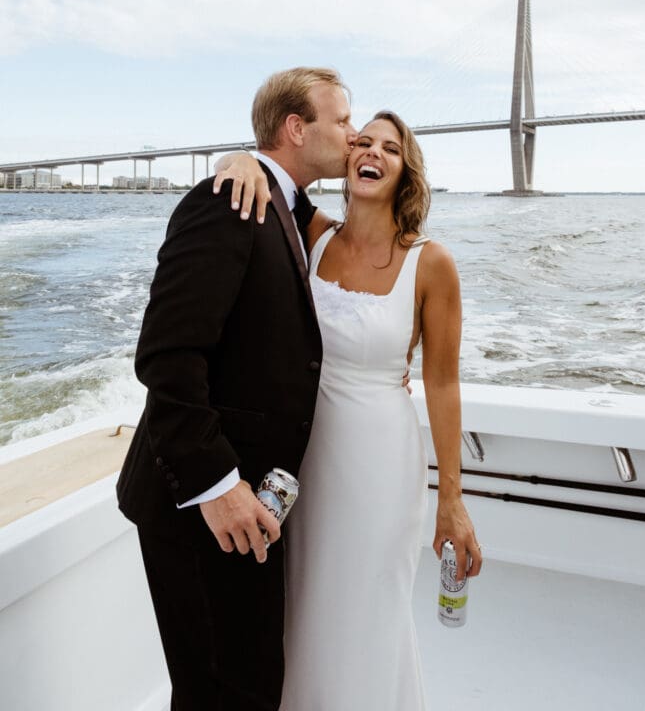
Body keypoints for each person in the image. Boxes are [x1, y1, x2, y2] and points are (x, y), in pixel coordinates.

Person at [214, 110, 481, 710]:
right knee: (304, 603)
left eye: (390, 147)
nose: (372, 151)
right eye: (362, 141)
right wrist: (234, 161)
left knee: (368, 605)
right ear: (347, 162)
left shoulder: (431, 263)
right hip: (303, 457)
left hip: (381, 463)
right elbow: (265, 175)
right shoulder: (312, 235)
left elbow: (442, 384)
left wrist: (452, 501)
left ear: (404, 172)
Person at [116, 67, 357, 711]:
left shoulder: (283, 203)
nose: (353, 134)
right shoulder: (227, 200)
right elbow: (167, 357)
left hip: (253, 506)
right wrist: (217, 487)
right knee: (224, 691)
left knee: (242, 683)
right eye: (342, 120)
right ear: (295, 129)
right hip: (202, 505)